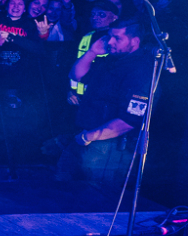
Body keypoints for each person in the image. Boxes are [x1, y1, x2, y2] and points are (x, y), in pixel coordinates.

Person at [53, 17, 152, 183]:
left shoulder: (140, 71)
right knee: (62, 184)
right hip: (85, 136)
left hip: (108, 147)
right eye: (109, 36)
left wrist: (89, 137)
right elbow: (76, 75)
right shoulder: (111, 60)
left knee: (94, 193)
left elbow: (130, 120)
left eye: (117, 38)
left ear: (135, 41)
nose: (110, 42)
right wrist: (91, 52)